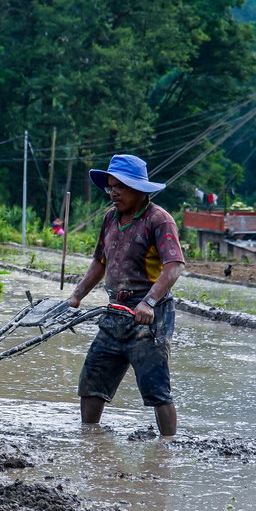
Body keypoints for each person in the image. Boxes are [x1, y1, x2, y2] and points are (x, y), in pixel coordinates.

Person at [63, 154, 186, 436]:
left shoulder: (159, 220)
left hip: (148, 316)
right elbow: (100, 262)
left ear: (138, 189)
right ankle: (89, 438)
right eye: (110, 187)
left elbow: (174, 266)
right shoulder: (110, 218)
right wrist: (76, 296)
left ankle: (168, 447)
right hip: (115, 312)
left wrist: (148, 302)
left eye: (119, 186)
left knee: (157, 389)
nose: (113, 193)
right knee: (92, 382)